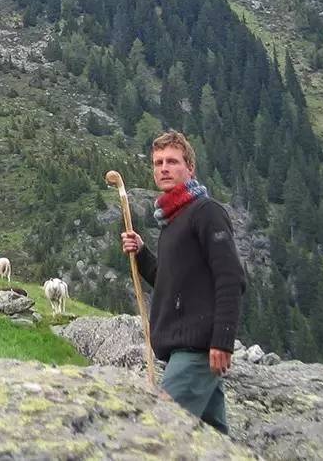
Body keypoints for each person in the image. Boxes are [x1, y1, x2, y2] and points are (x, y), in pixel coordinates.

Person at [120, 130, 246, 434]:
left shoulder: (206, 212)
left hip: (196, 350)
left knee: (160, 433)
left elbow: (231, 277)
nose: (163, 168)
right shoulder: (173, 221)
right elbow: (169, 282)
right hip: (187, 349)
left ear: (189, 168)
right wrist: (141, 254)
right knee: (212, 438)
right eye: (158, 162)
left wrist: (222, 340)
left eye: (172, 161)